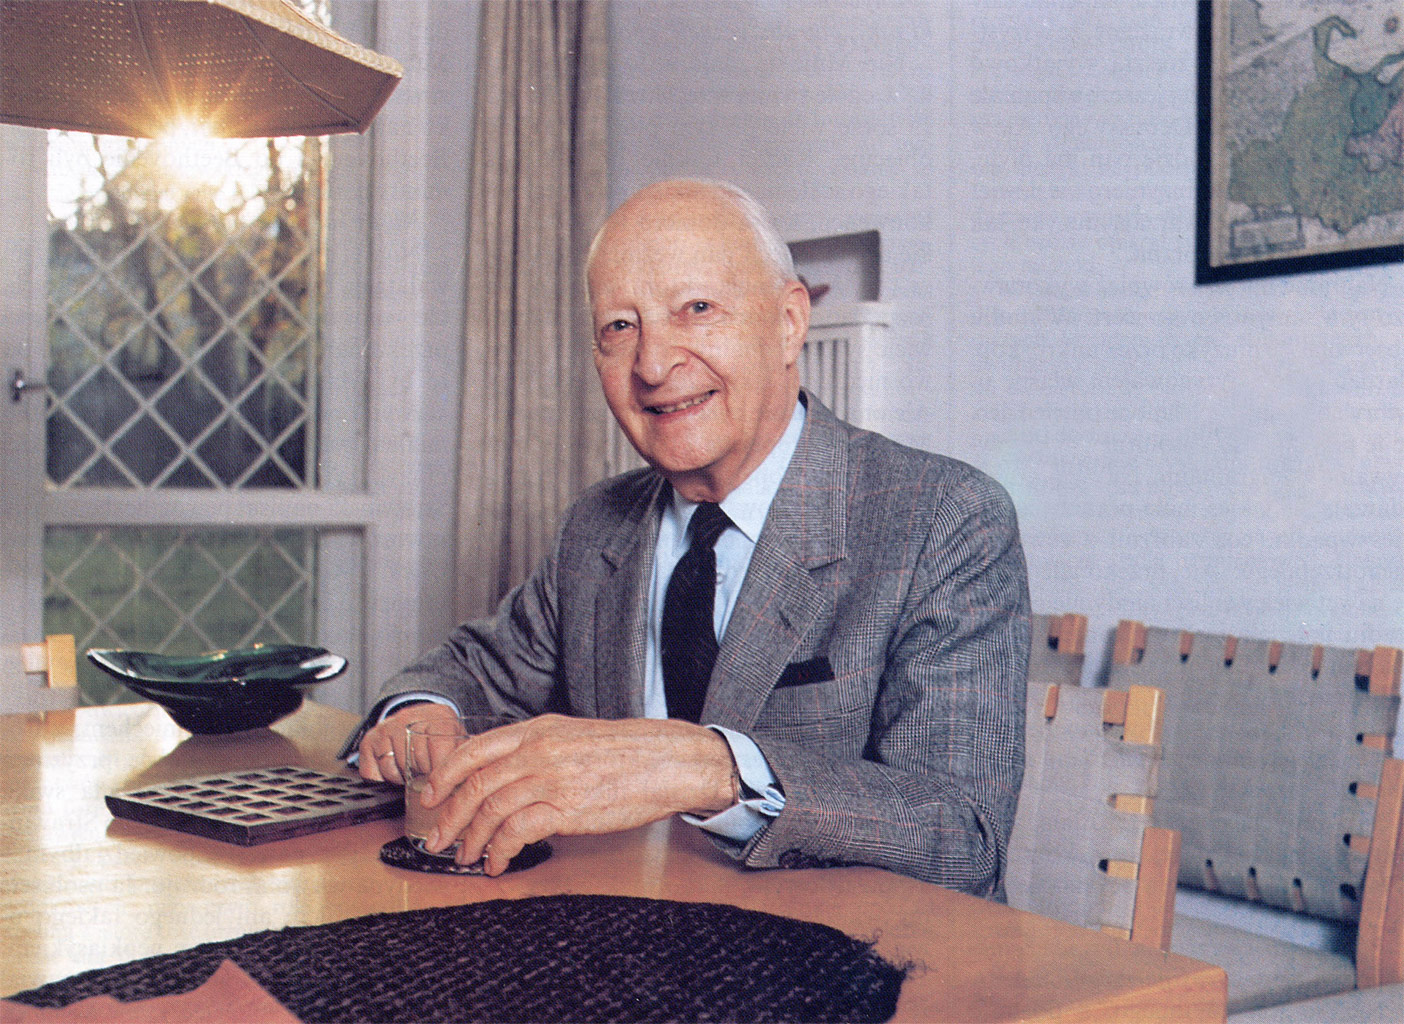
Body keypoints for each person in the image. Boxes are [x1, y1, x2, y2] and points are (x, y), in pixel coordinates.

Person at [341, 179, 1030, 895]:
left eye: (696, 310)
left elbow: (963, 835)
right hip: (626, 934)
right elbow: (472, 670)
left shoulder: (944, 519)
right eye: (620, 327)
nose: (653, 365)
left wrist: (704, 768)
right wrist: (420, 712)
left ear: (789, 322)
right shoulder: (598, 525)